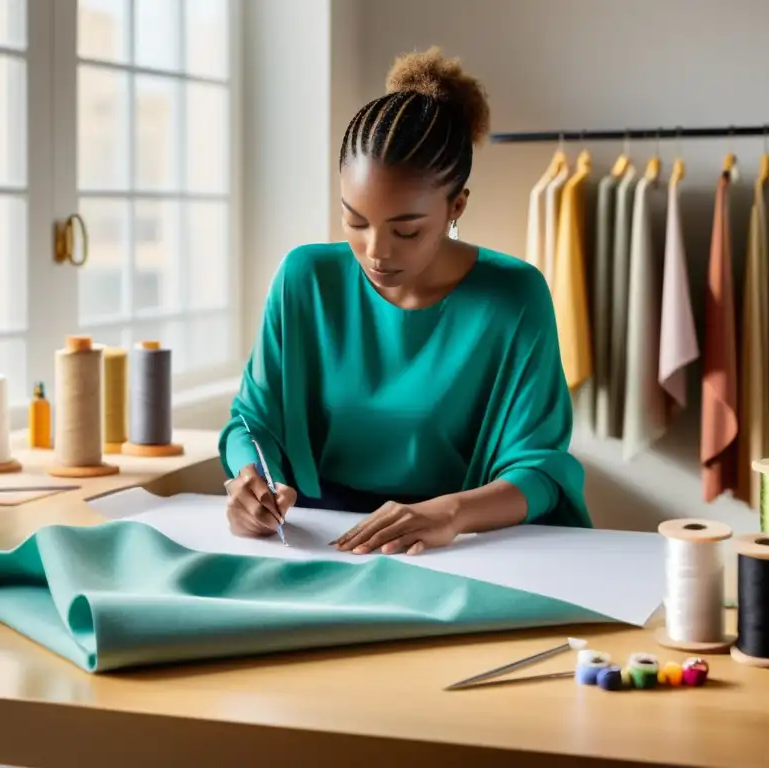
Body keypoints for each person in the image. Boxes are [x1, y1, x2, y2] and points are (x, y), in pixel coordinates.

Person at [220, 46, 589, 555]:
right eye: (355, 221)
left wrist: (450, 513)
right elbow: (251, 421)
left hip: (460, 539)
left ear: (457, 204)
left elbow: (542, 468)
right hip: (323, 538)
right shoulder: (304, 278)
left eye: (407, 230)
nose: (375, 251)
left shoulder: (514, 297)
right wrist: (252, 482)